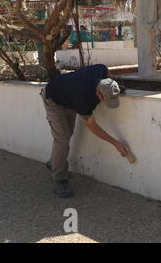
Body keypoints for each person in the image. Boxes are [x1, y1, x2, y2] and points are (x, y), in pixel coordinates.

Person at [40, 64, 129, 198]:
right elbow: (92, 126)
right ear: (98, 93)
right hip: (53, 100)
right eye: (105, 99)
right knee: (63, 139)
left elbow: (109, 76)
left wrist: (115, 90)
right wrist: (115, 143)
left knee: (66, 134)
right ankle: (59, 179)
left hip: (68, 97)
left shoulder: (101, 70)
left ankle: (54, 163)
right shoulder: (83, 98)